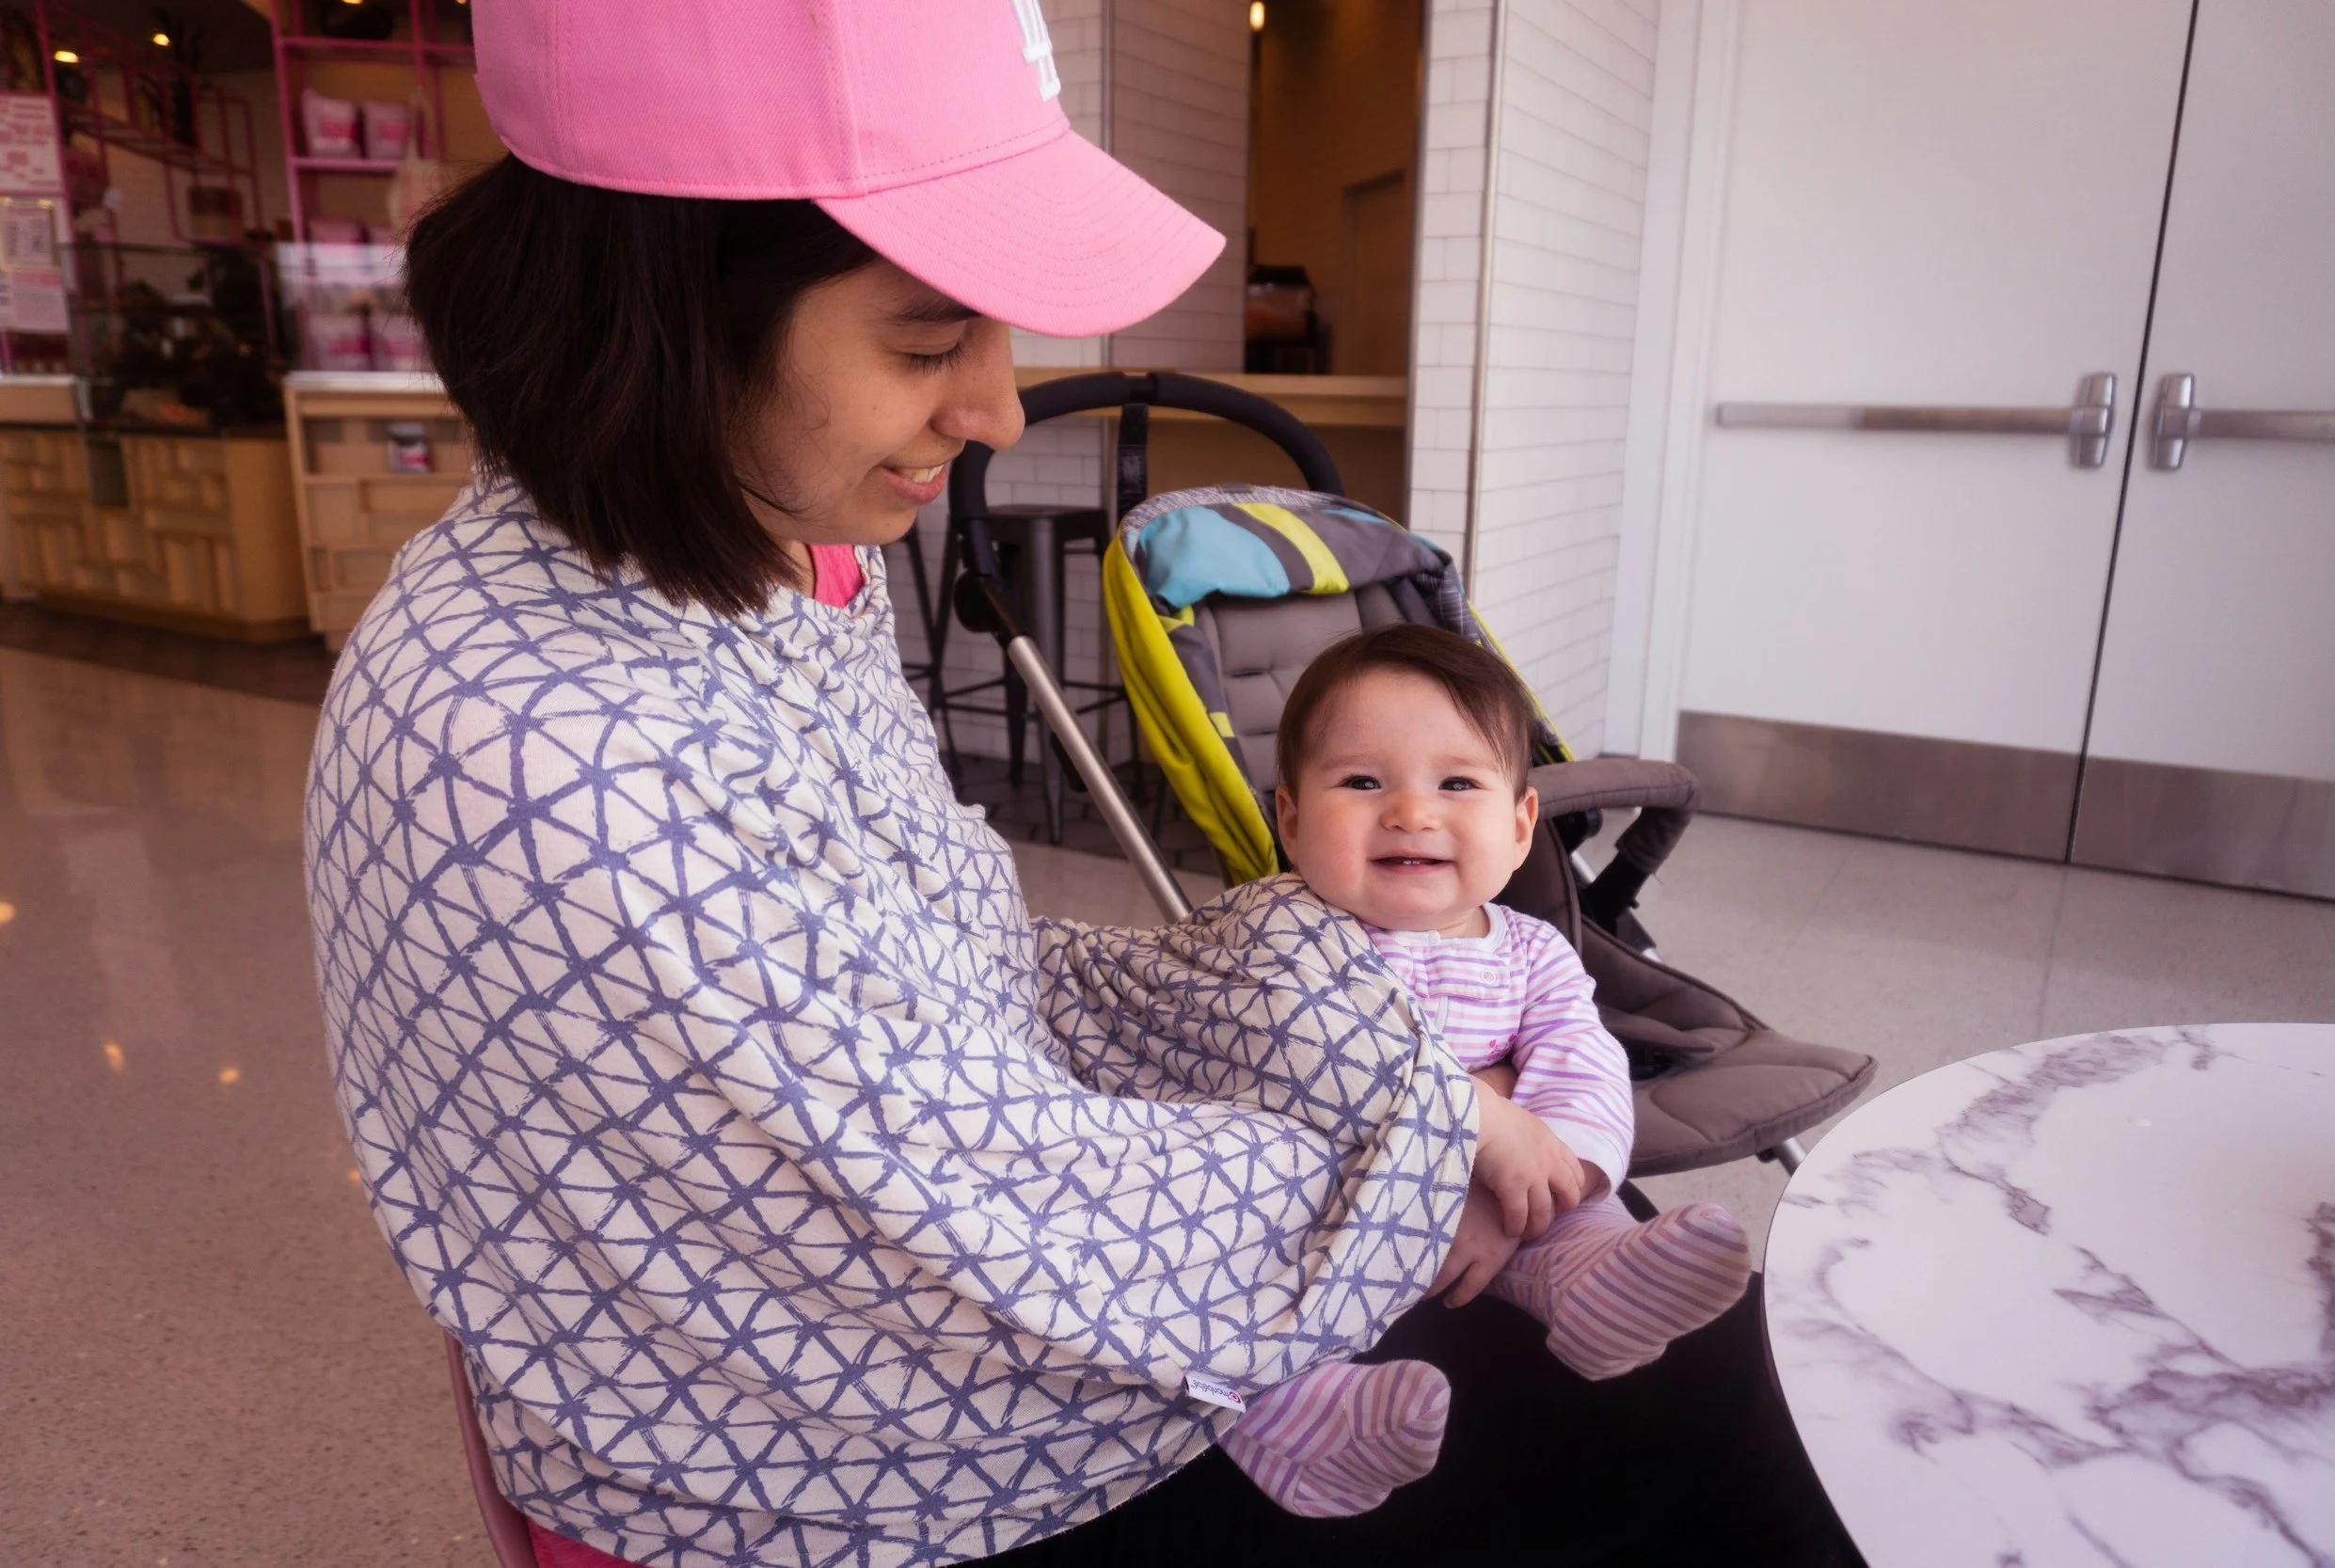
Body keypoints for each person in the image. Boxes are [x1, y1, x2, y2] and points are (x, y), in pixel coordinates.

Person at [305, 3, 1859, 1564]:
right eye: (928, 341)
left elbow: (965, 978)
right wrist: (1399, 1175)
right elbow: (939, 1232)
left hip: (959, 1262)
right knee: (1696, 1407)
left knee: (1665, 1333)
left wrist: (1374, 1066)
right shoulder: (553, 761)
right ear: (651, 315)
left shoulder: (763, 561)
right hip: (857, 1465)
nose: (991, 409)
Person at [1206, 626, 1755, 1515]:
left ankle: (1589, 1285)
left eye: (1457, 782)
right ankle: (1299, 1415)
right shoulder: (1278, 929)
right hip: (1313, 1206)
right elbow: (1294, 1048)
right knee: (1216, 1266)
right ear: (1292, 820)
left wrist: (1548, 1173)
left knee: (1567, 1177)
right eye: (1362, 782)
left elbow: (1582, 1060)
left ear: (1519, 824)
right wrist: (1474, 1117)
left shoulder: (1533, 953)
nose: (1412, 813)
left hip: (1497, 1201)